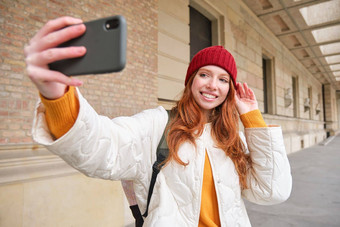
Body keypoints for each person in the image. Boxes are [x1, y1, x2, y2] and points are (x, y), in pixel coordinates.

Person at [25, 16, 292, 227]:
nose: (213, 85)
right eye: (204, 75)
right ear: (190, 81)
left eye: (223, 80)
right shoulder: (158, 125)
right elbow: (105, 147)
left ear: (230, 90)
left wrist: (252, 118)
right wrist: (57, 96)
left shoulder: (232, 136)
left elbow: (272, 191)